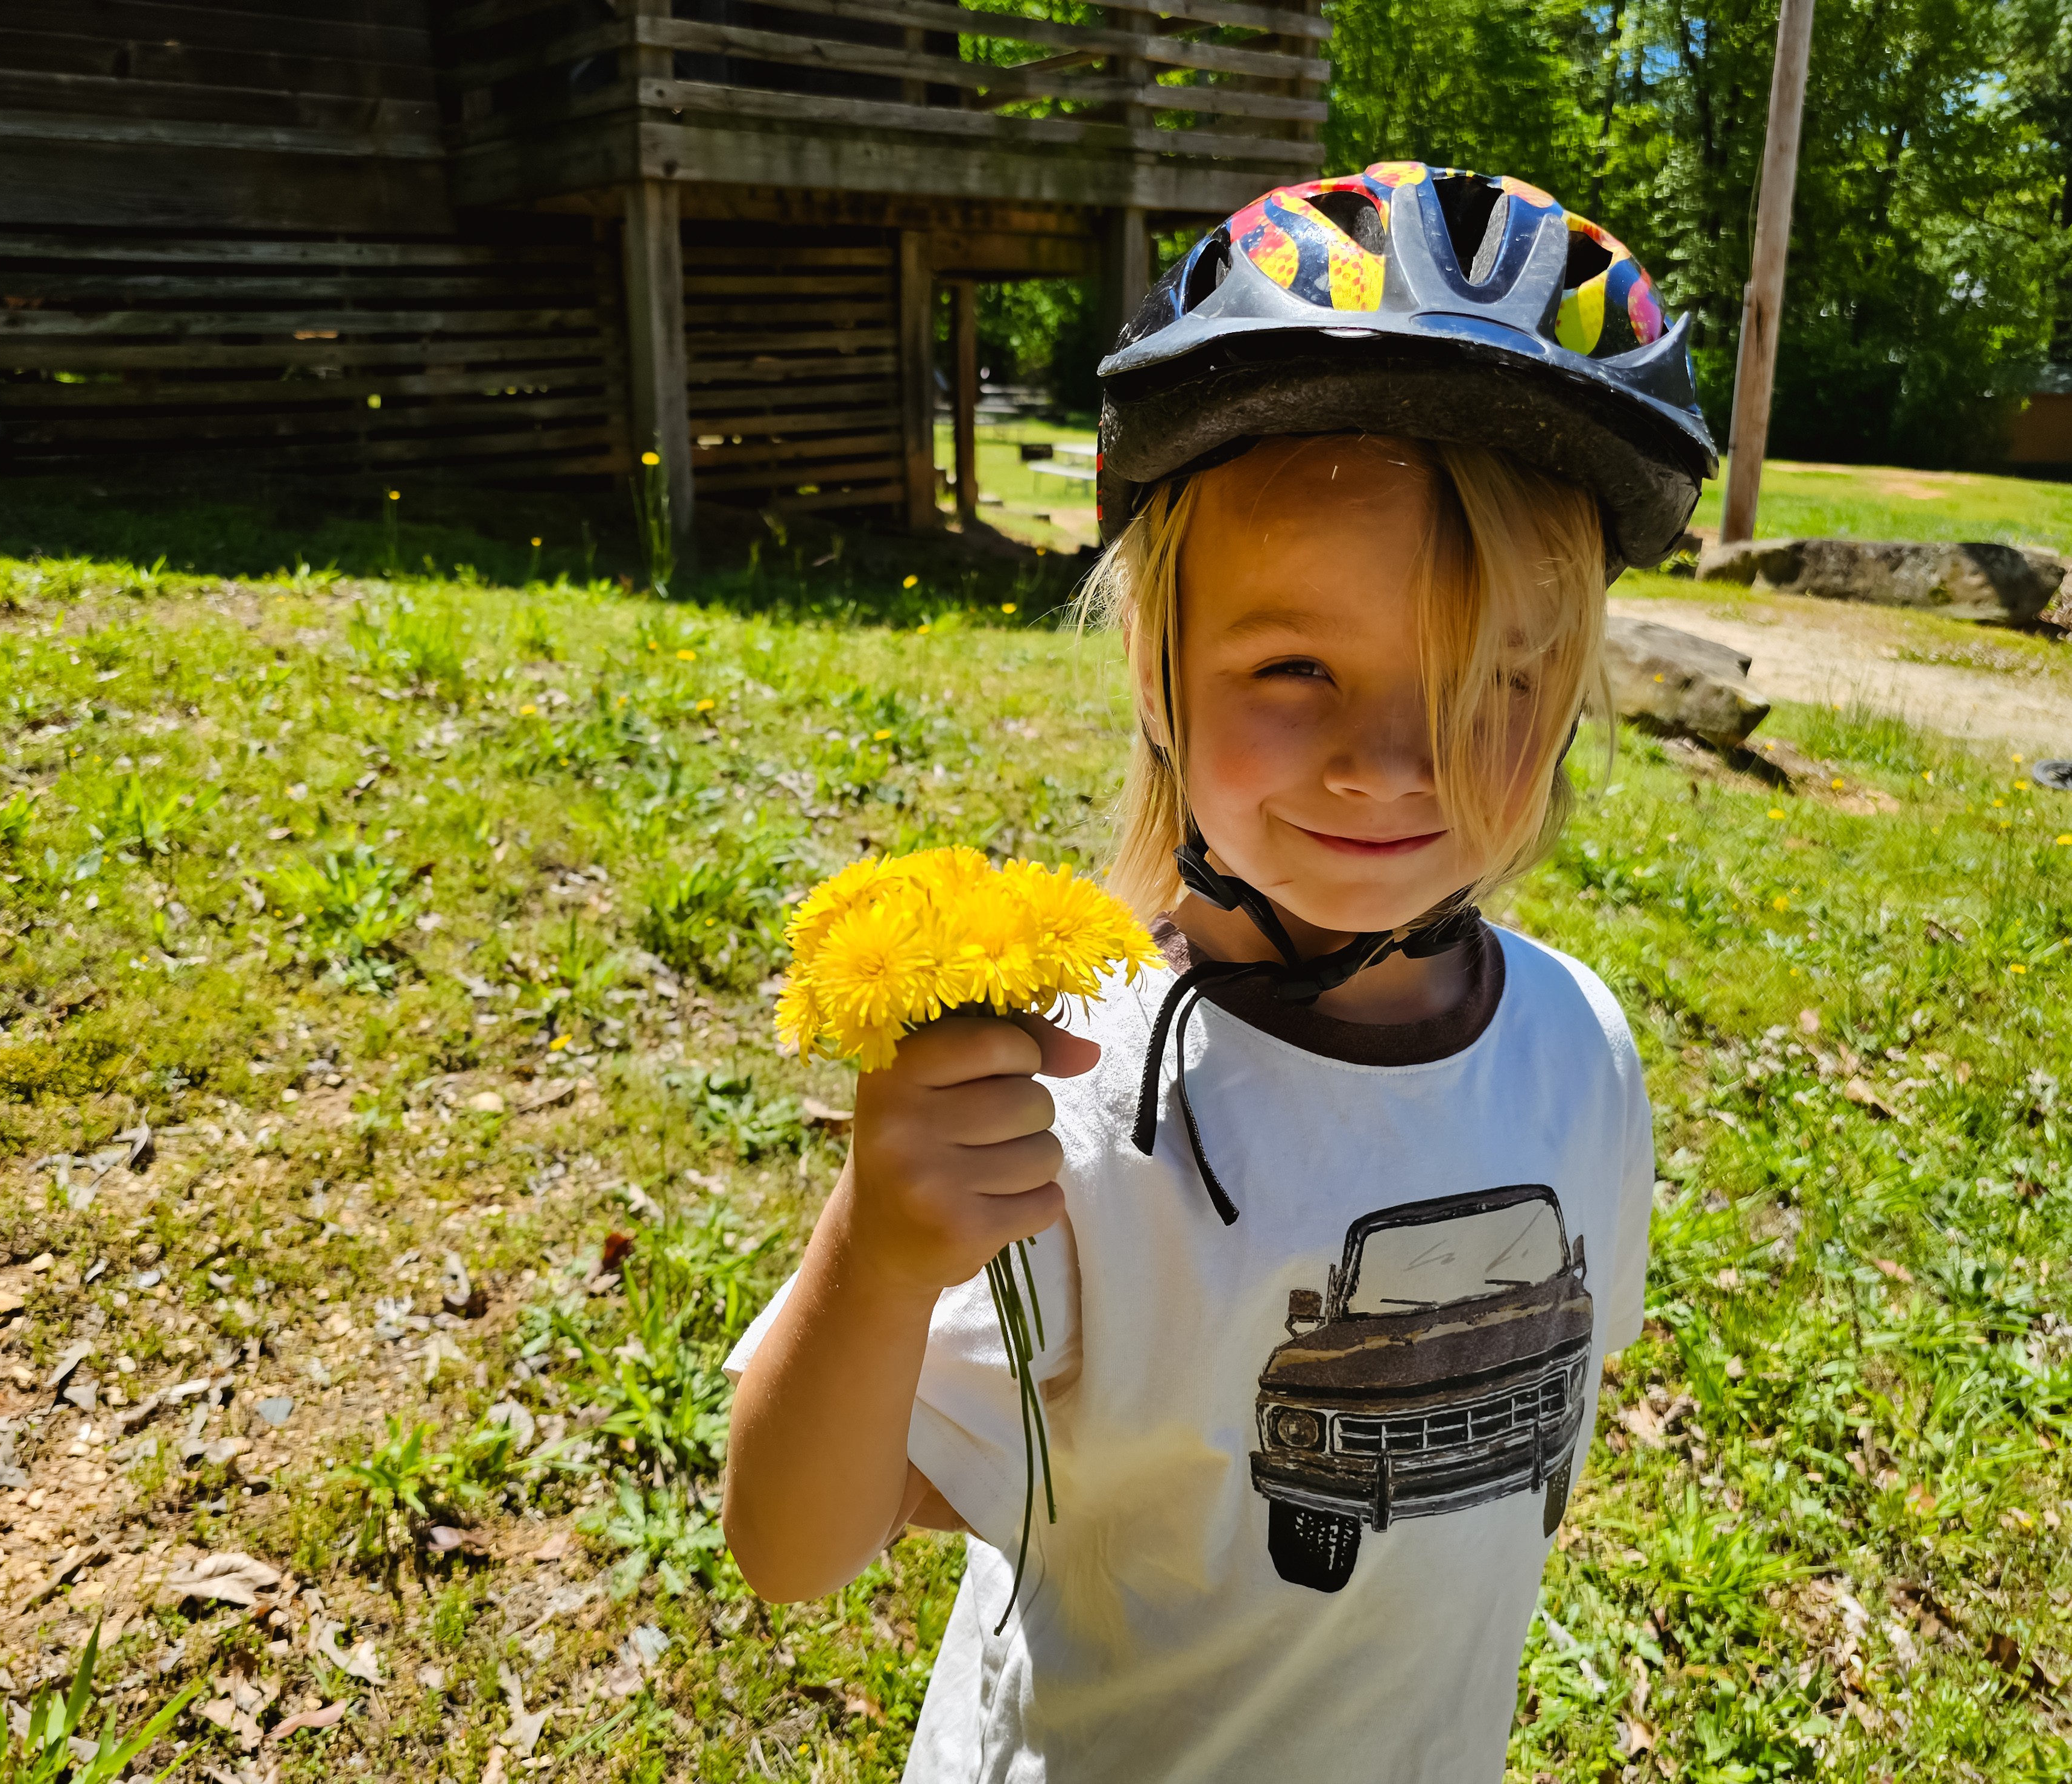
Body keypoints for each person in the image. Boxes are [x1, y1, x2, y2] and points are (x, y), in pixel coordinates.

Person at [721, 162, 1717, 1782]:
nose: (1395, 762)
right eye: (1294, 666)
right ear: (1157, 661)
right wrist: (881, 1258)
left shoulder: (1576, 1048)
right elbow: (792, 1544)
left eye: (1495, 676)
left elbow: (1532, 1439)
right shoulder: (1068, 1090)